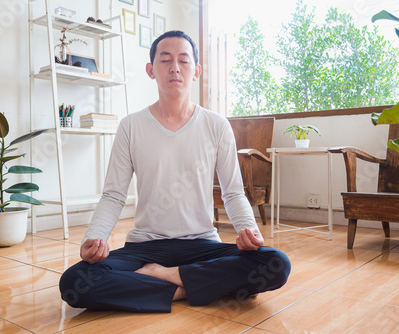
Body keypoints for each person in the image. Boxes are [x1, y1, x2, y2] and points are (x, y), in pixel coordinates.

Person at [59, 30, 291, 313]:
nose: (175, 67)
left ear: (196, 71)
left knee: (275, 264)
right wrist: (94, 238)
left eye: (183, 60)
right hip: (144, 248)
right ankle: (209, 286)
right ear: (151, 70)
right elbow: (114, 196)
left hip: (202, 244)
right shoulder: (131, 126)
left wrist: (248, 230)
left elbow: (232, 193)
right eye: (165, 59)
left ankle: (165, 278)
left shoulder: (216, 125)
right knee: (74, 283)